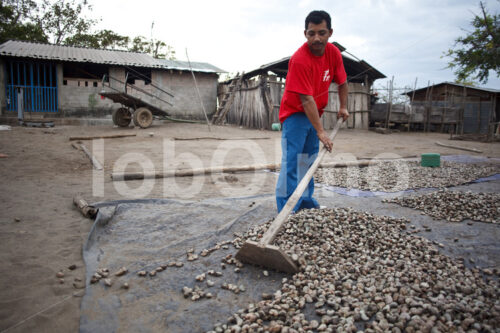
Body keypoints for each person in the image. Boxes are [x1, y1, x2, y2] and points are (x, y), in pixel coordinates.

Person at [276, 10, 349, 213]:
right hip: (295, 114)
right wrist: (321, 132)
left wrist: (343, 106)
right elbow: (306, 99)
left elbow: (342, 82)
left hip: (316, 112)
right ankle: (287, 209)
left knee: (308, 161)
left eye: (321, 33)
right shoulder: (300, 59)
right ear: (305, 33)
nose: (316, 38)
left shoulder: (333, 53)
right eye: (311, 33)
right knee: (292, 161)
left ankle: (306, 203)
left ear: (330, 33)